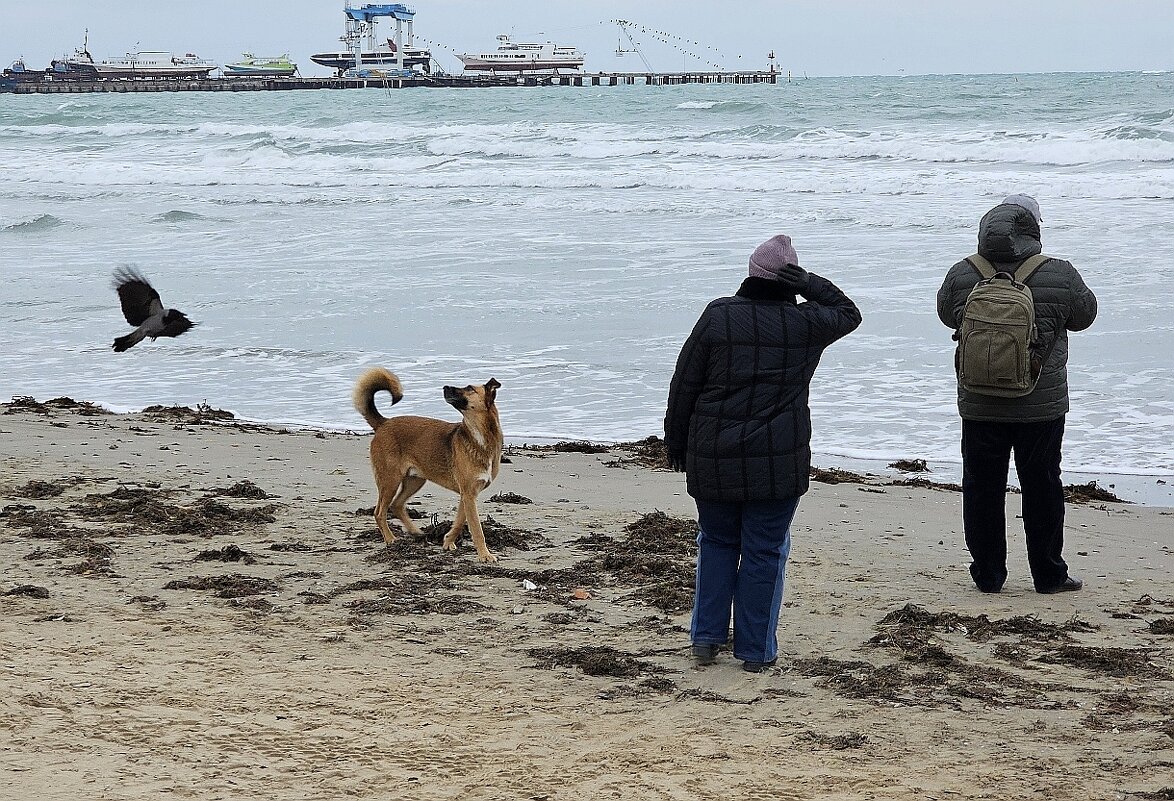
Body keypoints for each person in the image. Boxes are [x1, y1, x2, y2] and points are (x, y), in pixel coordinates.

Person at [665, 234, 861, 673]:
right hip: (778, 459)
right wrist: (809, 283)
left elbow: (684, 385)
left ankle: (706, 640)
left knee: (716, 543)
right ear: (789, 279)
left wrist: (676, 444)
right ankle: (755, 652)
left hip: (711, 455)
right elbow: (849, 313)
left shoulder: (718, 315)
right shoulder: (805, 323)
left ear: (751, 272)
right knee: (764, 552)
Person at [937, 195, 1098, 594]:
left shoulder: (962, 274)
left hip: (979, 402)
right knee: (1042, 485)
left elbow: (945, 316)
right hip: (1039, 404)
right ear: (1034, 231)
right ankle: (1048, 574)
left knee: (981, 487)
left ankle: (988, 575)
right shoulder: (1059, 274)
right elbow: (1085, 316)